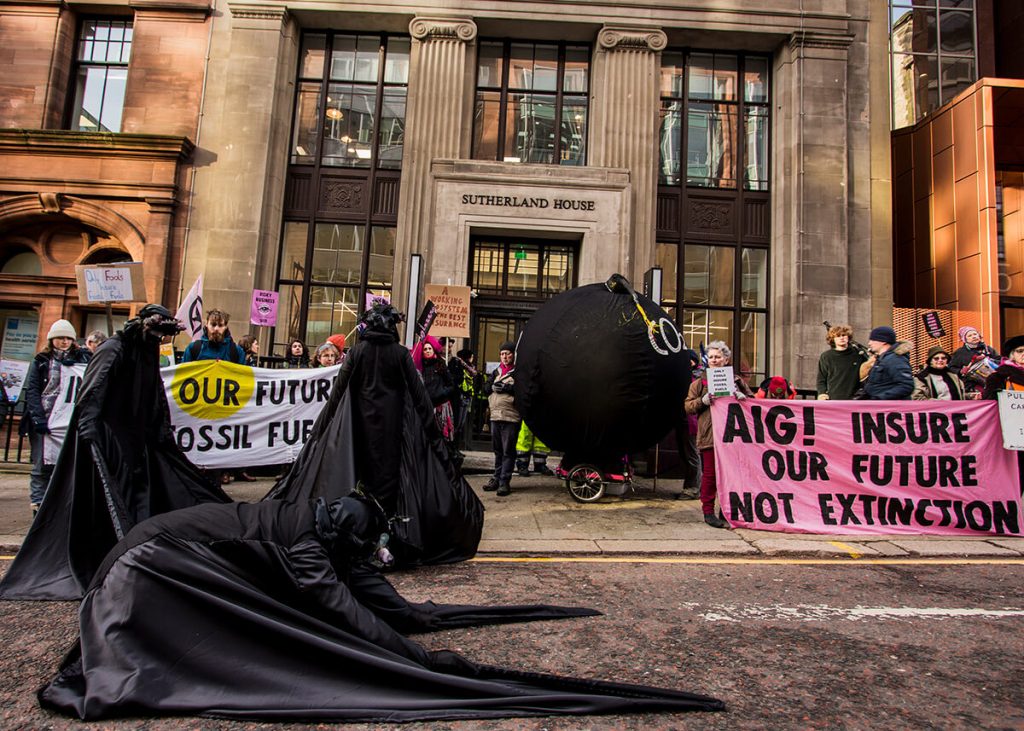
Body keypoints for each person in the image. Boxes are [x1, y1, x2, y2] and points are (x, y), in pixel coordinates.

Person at [38, 496, 721, 722]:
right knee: (237, 656)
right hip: (145, 570)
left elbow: (363, 585)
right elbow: (342, 608)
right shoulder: (306, 542)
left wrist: (413, 615)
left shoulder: (316, 520)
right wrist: (411, 657)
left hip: (153, 554)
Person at [0, 305, 231, 601]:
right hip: (112, 440)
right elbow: (92, 393)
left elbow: (153, 393)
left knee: (140, 496)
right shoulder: (114, 348)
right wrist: (92, 433)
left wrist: (159, 433)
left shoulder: (143, 351)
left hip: (136, 440)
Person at [265, 303, 483, 566]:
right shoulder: (400, 354)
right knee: (389, 488)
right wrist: (434, 438)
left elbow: (337, 395)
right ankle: (386, 538)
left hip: (360, 432)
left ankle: (367, 538)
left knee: (362, 484)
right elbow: (420, 398)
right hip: (393, 434)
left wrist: (320, 432)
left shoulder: (358, 352)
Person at [20, 319, 91, 516]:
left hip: (70, 420)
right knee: (41, 467)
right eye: (60, 338)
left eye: (68, 338)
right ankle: (38, 506)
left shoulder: (83, 358)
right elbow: (33, 391)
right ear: (52, 339)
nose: (64, 342)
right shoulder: (41, 360)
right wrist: (37, 418)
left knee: (69, 467)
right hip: (46, 418)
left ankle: (63, 507)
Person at [684, 341, 752, 529]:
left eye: (718, 357)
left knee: (731, 475)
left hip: (733, 435)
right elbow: (688, 406)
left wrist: (743, 397)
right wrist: (703, 401)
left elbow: (753, 402)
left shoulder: (737, 381)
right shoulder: (699, 383)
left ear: (725, 359)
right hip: (710, 435)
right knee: (710, 476)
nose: (714, 360)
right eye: (711, 357)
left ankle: (726, 510)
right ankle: (708, 511)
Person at [483, 341, 520, 497]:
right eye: (502, 354)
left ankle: (505, 481)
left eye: (508, 353)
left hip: (510, 417)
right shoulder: (496, 371)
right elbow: (485, 389)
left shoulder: (518, 372)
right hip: (495, 416)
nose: (505, 357)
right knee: (498, 451)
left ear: (513, 355)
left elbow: (523, 390)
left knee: (507, 451)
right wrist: (491, 386)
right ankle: (496, 478)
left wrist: (508, 388)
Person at [412, 335, 457, 443]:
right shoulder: (420, 368)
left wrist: (441, 392)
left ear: (433, 350)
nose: (427, 351)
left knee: (441, 437)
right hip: (426, 407)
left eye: (429, 348)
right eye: (425, 349)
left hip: (440, 407)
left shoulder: (440, 365)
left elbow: (451, 385)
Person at [672, 349, 701, 499]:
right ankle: (690, 486)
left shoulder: (697, 378)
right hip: (683, 420)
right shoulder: (686, 375)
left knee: (692, 455)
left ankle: (693, 488)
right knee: (686, 455)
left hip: (692, 422)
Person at [816, 324, 868, 400]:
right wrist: (822, 393)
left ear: (848, 337)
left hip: (856, 398)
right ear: (832, 339)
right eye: (838, 336)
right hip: (834, 398)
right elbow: (821, 378)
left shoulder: (858, 354)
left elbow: (866, 375)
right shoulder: (826, 356)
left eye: (844, 335)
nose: (841, 338)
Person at [862, 326, 914, 400]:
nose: (869, 343)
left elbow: (906, 386)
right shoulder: (881, 359)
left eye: (872, 340)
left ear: (883, 341)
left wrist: (880, 398)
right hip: (880, 408)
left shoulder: (895, 360)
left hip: (890, 408)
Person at [181, 309, 246, 364]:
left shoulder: (237, 352)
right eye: (213, 324)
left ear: (226, 327)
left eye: (220, 325)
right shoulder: (194, 349)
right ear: (207, 324)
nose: (216, 329)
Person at [447, 347, 478, 448]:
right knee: (457, 422)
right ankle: (453, 446)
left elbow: (474, 374)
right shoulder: (459, 365)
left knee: (461, 424)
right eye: (471, 357)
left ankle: (456, 446)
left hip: (467, 396)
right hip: (461, 396)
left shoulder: (469, 367)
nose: (472, 359)